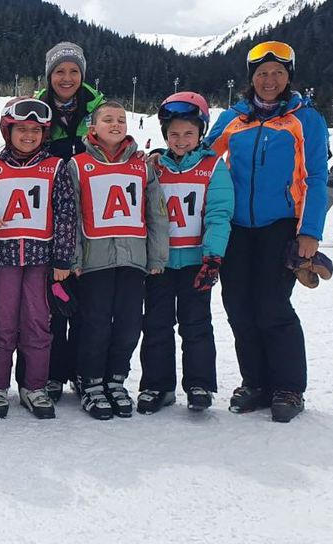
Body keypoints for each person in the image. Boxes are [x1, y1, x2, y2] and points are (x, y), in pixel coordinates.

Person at [205, 41, 329, 422]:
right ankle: (255, 382)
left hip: (281, 225)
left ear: (289, 76)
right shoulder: (234, 117)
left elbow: (316, 176)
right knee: (238, 306)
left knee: (272, 305)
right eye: (262, 73)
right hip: (236, 228)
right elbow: (203, 156)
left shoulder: (304, 119)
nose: (269, 80)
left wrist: (309, 231)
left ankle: (289, 387)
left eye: (277, 72)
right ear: (251, 78)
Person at [0, 98, 76, 419]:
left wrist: (62, 260)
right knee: (1, 323)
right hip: (3, 259)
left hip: (41, 260)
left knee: (38, 323)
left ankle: (34, 385)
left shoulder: (55, 167)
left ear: (44, 133)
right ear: (8, 131)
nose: (28, 135)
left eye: (35, 130)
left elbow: (67, 215)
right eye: (21, 129)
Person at [69, 102, 168, 420]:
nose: (116, 124)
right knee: (95, 324)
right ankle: (91, 380)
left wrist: (157, 256)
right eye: (107, 119)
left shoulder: (142, 166)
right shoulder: (78, 165)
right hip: (94, 261)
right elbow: (70, 216)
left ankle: (116, 379)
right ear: (92, 128)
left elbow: (156, 213)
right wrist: (72, 257)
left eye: (121, 120)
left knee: (128, 325)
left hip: (133, 260)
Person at [137, 93, 234, 414]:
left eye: (188, 134)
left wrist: (213, 257)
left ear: (200, 134)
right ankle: (157, 385)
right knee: (156, 325)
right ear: (165, 135)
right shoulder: (154, 167)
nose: (181, 140)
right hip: (159, 264)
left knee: (196, 325)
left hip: (196, 263)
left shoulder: (212, 167)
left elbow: (219, 214)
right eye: (174, 134)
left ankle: (199, 384)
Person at [33, 43, 105, 401]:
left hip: (93, 219)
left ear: (82, 75)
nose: (66, 78)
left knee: (85, 303)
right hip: (49, 219)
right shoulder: (35, 111)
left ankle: (80, 370)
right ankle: (52, 373)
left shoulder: (98, 109)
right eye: (59, 71)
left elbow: (113, 145)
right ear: (49, 75)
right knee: (53, 302)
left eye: (73, 71)